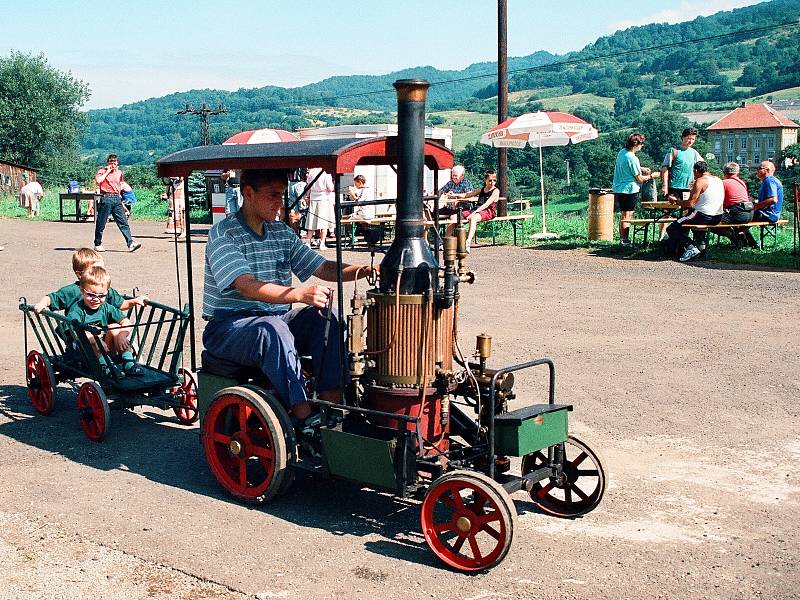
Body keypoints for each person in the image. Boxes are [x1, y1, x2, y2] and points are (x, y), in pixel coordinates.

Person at [201, 169, 378, 427]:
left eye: (282, 196)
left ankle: (334, 406)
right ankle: (304, 416)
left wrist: (365, 270)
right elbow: (245, 286)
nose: (280, 203)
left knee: (327, 316)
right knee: (271, 328)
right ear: (248, 193)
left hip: (276, 318)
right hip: (228, 326)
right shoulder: (223, 234)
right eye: (273, 196)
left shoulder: (280, 233)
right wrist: (298, 294)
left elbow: (322, 267)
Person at [66, 266, 143, 377]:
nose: (96, 299)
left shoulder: (107, 307)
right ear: (82, 291)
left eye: (101, 296)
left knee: (115, 327)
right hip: (86, 355)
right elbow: (76, 332)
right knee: (88, 336)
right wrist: (95, 340)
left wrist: (122, 335)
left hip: (106, 349)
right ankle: (106, 367)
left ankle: (128, 363)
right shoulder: (77, 310)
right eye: (91, 295)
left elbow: (126, 321)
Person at [33, 247, 148, 315]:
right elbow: (51, 298)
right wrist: (42, 304)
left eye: (101, 269)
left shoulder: (106, 290)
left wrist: (135, 301)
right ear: (79, 274)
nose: (99, 273)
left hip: (102, 331)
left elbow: (122, 304)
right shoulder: (72, 291)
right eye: (94, 270)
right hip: (78, 336)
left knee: (117, 331)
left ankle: (125, 356)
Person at [664, 161, 723, 262]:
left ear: (696, 170)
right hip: (717, 216)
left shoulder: (700, 181)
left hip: (703, 215)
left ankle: (691, 247)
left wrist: (676, 201)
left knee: (672, 228)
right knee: (685, 223)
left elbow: (690, 204)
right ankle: (698, 246)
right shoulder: (718, 179)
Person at [612, 132, 659, 247]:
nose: (642, 146)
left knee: (624, 214)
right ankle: (625, 240)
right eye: (641, 144)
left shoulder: (622, 152)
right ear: (636, 144)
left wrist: (641, 168)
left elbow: (626, 166)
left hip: (619, 187)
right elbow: (640, 179)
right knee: (627, 215)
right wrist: (652, 176)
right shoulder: (633, 158)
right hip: (629, 189)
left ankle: (622, 238)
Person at [660, 127, 702, 240]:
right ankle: (662, 236)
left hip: (687, 188)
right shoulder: (674, 151)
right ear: (683, 137)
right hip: (673, 186)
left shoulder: (694, 153)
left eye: (693, 139)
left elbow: (702, 167)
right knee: (666, 212)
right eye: (689, 138)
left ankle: (682, 237)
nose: (690, 141)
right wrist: (664, 185)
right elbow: (665, 169)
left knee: (686, 213)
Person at [444, 170, 501, 253]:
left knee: (473, 218)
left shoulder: (496, 191)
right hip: (477, 209)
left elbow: (486, 205)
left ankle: (468, 242)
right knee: (453, 217)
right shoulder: (481, 189)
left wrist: (473, 213)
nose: (492, 182)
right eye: (490, 180)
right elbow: (467, 195)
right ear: (485, 180)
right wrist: (454, 195)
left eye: (494, 180)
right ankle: (446, 241)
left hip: (488, 211)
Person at [94, 154, 141, 252]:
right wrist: (107, 171)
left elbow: (120, 184)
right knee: (101, 222)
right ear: (108, 162)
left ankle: (130, 242)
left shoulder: (119, 172)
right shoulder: (101, 171)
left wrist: (121, 198)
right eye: (111, 161)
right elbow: (98, 181)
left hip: (116, 198)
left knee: (123, 222)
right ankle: (97, 243)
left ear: (117, 162)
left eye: (114, 161)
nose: (113, 163)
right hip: (106, 197)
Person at [741, 160, 785, 248]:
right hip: (771, 213)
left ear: (767, 170)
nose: (757, 170)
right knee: (741, 220)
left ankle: (747, 244)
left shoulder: (769, 180)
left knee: (740, 217)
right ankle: (749, 243)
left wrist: (756, 207)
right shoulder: (770, 180)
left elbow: (773, 199)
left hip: (769, 214)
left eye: (759, 168)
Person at [717, 162, 754, 248]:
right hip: (750, 213)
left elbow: (719, 200)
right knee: (736, 224)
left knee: (712, 220)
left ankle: (734, 239)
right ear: (737, 173)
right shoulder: (741, 182)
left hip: (738, 213)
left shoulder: (724, 183)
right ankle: (749, 243)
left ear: (724, 172)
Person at [304, 167, 335, 248]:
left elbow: (308, 187)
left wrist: (307, 196)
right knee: (324, 222)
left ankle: (308, 242)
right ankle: (322, 243)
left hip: (313, 197)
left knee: (311, 221)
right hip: (324, 199)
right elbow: (330, 188)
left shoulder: (311, 172)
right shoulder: (327, 173)